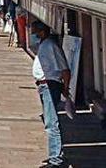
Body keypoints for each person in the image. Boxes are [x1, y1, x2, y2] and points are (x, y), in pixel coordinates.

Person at [30, 21, 70, 167]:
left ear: (41, 31)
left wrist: (65, 88)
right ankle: (56, 155)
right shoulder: (44, 45)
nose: (33, 34)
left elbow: (65, 70)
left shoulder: (51, 46)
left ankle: (56, 159)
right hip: (44, 85)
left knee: (51, 122)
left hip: (50, 85)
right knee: (49, 120)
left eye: (34, 31)